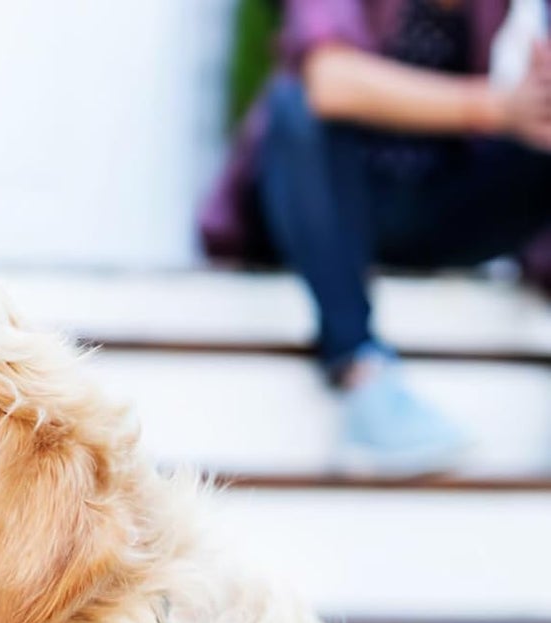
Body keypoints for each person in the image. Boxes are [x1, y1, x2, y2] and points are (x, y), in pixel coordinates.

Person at [201, 0, 551, 476]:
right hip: (314, 211)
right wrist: (494, 106)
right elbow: (329, 81)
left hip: (423, 205)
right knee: (296, 103)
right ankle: (362, 371)